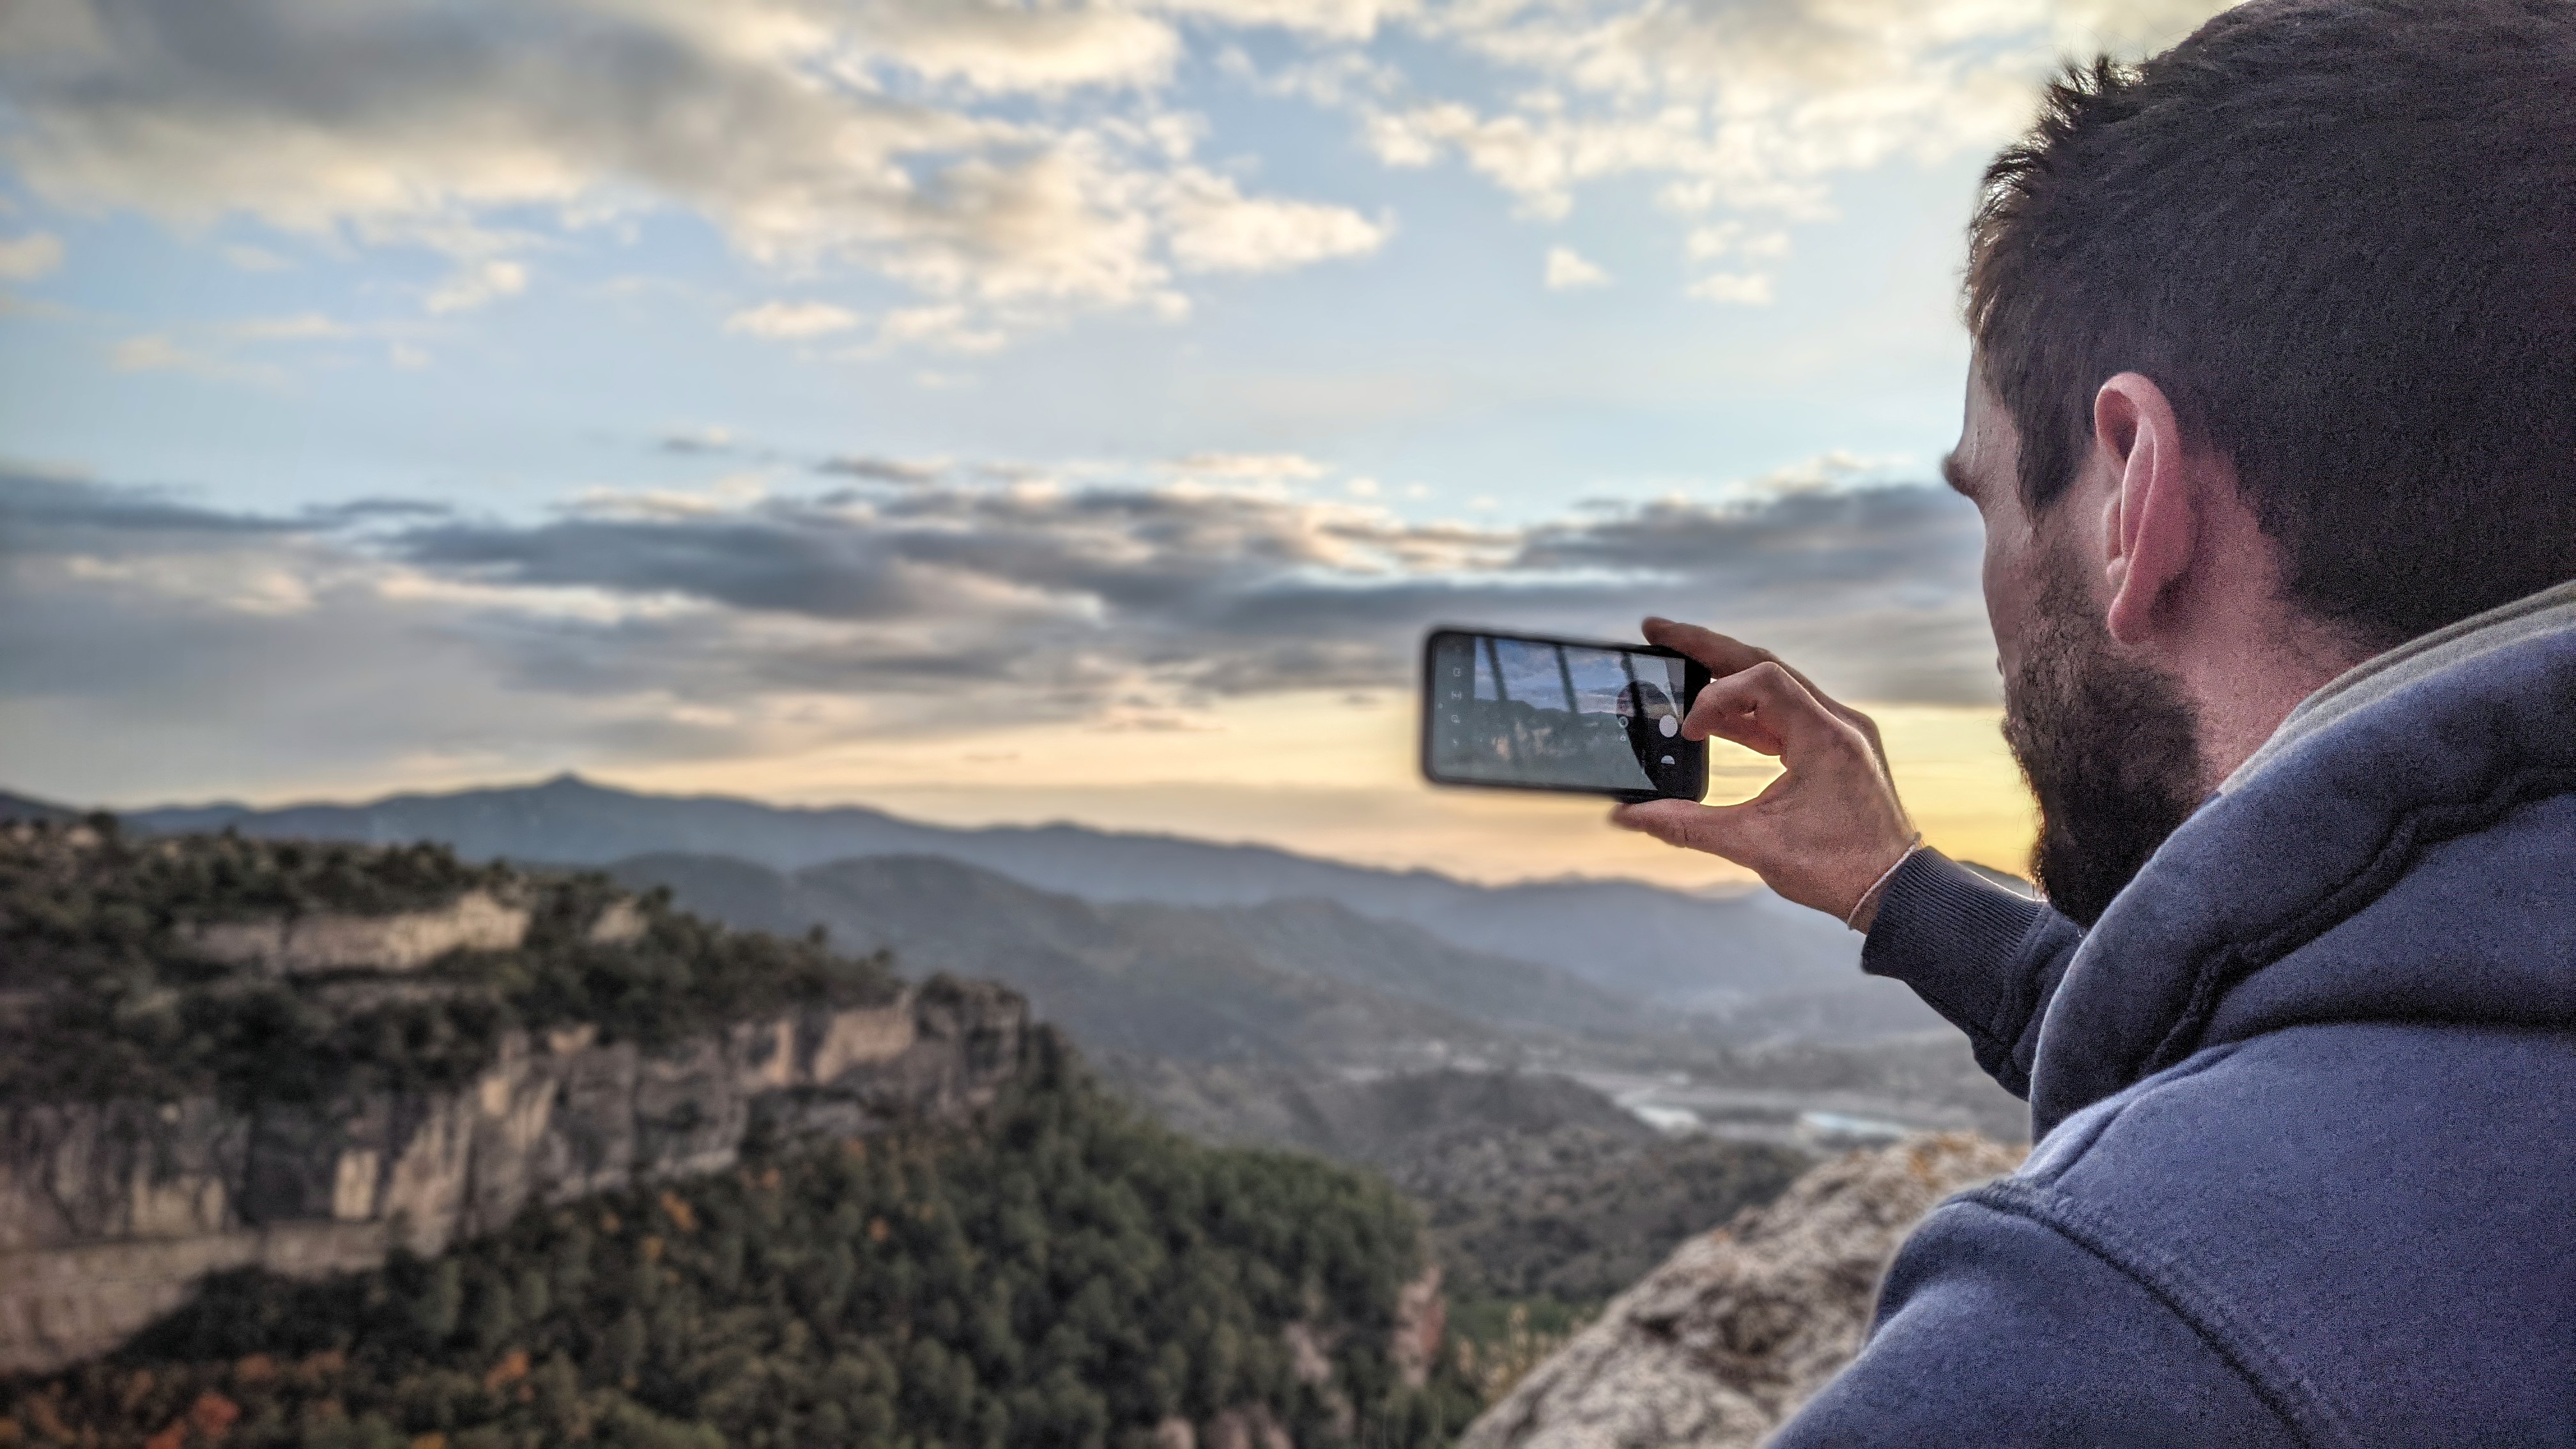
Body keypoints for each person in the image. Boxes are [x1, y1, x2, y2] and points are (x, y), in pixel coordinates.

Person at [1613, 1, 2576, 1441]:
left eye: (1991, 504)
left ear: (2133, 492)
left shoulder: (2115, 1338)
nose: (1993, 595)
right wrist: (1897, 889)